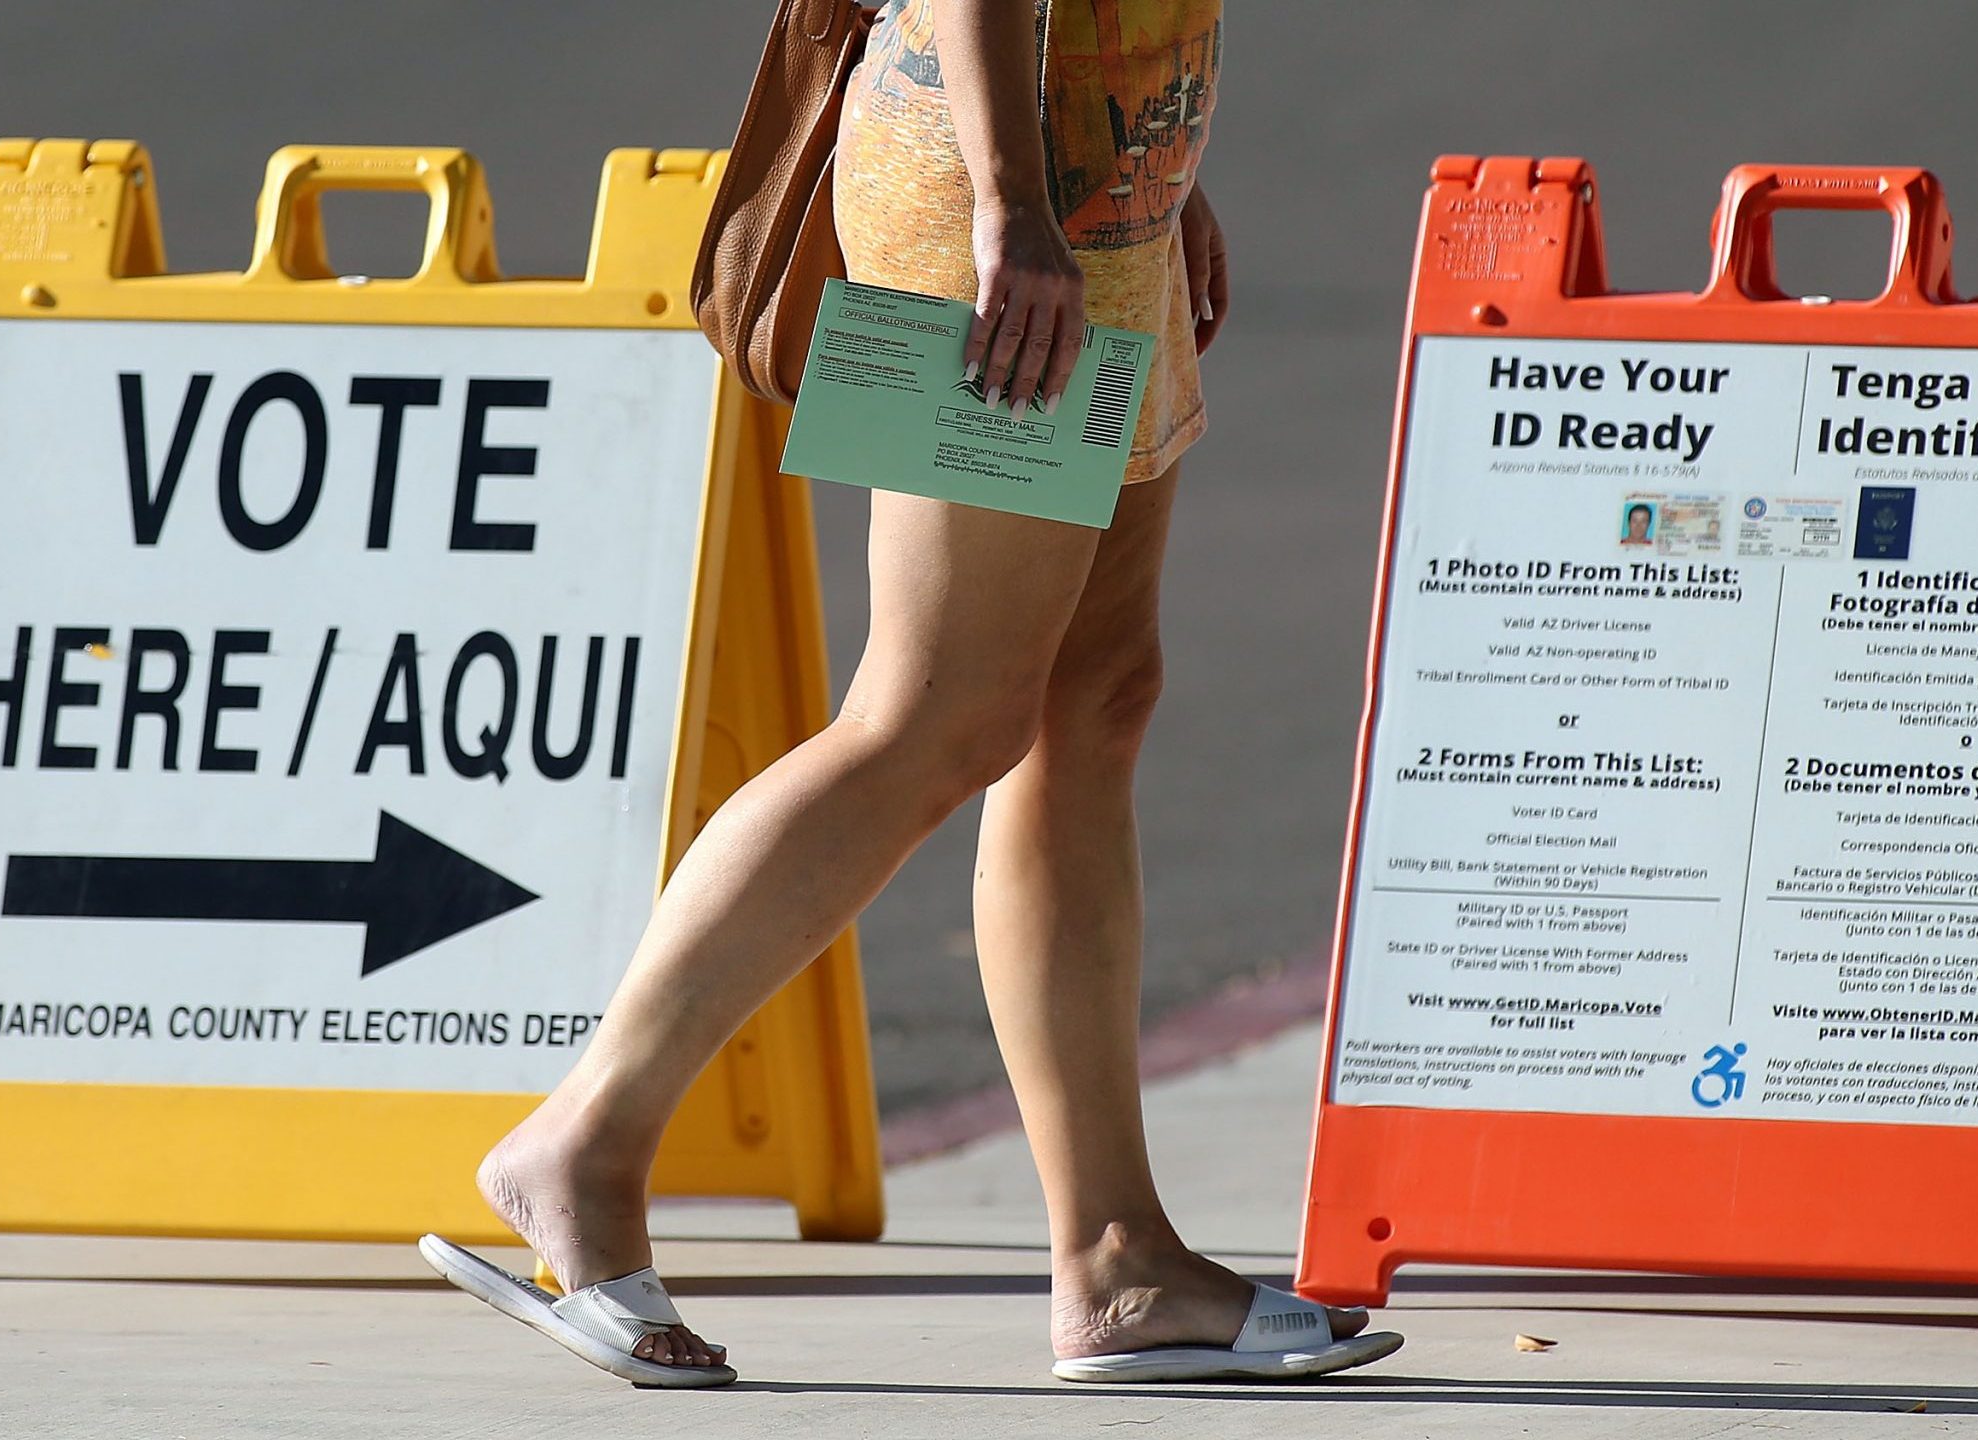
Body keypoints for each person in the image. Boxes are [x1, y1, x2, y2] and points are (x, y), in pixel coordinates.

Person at [420, 0, 1400, 1389]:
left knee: (1094, 701)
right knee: (937, 711)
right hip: (990, 203)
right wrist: (1014, 200)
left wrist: (1156, 175)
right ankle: (582, 1143)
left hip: (1099, 182)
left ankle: (1117, 1262)